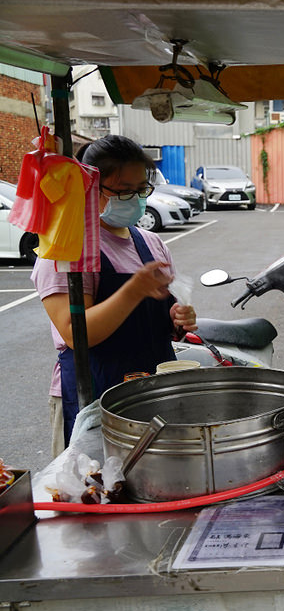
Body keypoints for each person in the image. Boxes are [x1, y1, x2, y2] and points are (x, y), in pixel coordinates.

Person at [31, 135, 198, 453]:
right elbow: (74, 333)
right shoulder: (67, 247)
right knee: (97, 487)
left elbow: (163, 320)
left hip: (152, 390)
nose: (134, 198)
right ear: (90, 186)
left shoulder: (151, 242)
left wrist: (178, 320)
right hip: (92, 393)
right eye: (123, 190)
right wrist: (132, 291)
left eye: (141, 190)